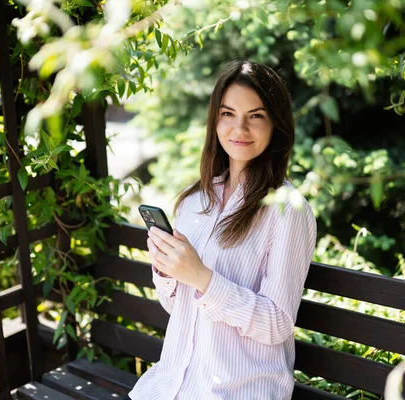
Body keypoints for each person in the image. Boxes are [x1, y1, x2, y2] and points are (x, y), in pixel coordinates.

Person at [127, 60, 317, 400]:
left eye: (256, 116)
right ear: (215, 120)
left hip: (237, 390)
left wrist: (202, 277)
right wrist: (167, 269)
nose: (239, 129)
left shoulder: (288, 210)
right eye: (228, 114)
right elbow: (177, 306)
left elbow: (277, 324)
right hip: (171, 384)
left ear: (277, 124)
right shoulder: (194, 201)